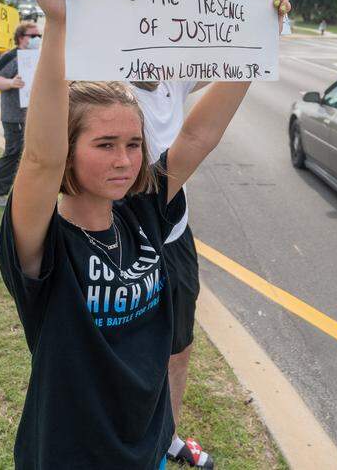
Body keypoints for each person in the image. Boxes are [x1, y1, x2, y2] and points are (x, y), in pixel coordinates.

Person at [0, 0, 289, 468]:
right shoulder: (43, 243)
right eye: (104, 145)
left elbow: (199, 135)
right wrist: (58, 22)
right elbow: (38, 161)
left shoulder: (141, 212)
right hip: (73, 453)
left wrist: (258, 32)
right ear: (68, 150)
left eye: (133, 145)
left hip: (146, 445)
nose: (125, 161)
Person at [130, 80, 213, 468]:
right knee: (131, 353)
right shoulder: (102, 83)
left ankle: (169, 436)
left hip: (175, 235)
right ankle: (132, 441)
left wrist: (265, 31)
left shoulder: (172, 79)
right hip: (126, 236)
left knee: (179, 347)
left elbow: (229, 56)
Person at [0, 22, 41, 207]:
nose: (36, 39)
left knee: (32, 155)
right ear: (20, 38)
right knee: (13, 153)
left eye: (38, 36)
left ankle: (25, 194)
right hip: (14, 115)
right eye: (32, 36)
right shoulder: (10, 57)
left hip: (34, 115)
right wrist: (10, 83)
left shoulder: (39, 56)